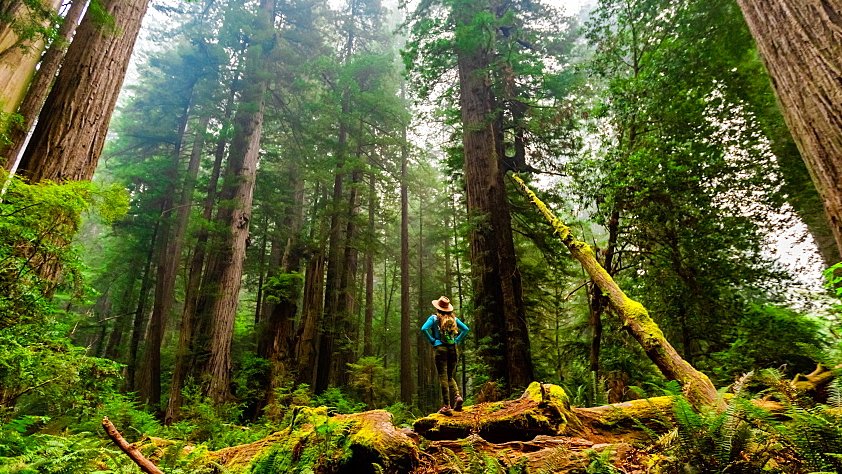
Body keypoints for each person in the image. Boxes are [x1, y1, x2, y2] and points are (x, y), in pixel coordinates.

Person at [421, 295, 470, 415]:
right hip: (453, 348)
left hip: (440, 349)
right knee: (449, 376)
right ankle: (457, 397)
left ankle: (447, 406)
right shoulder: (454, 319)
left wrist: (433, 341)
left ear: (437, 308)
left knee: (443, 377)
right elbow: (466, 329)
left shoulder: (433, 318)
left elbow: (423, 329)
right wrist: (456, 340)